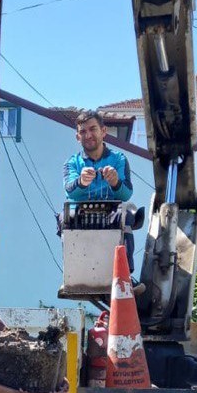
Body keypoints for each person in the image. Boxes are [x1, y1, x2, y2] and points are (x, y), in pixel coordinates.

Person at [62, 110, 139, 273]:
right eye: (83, 131)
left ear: (103, 131)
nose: (88, 135)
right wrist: (81, 182)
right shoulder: (72, 162)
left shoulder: (119, 159)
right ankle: (74, 271)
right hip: (82, 212)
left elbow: (126, 194)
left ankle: (126, 273)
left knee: (126, 217)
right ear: (77, 137)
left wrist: (115, 181)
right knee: (64, 217)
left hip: (112, 211)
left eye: (92, 129)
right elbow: (70, 191)